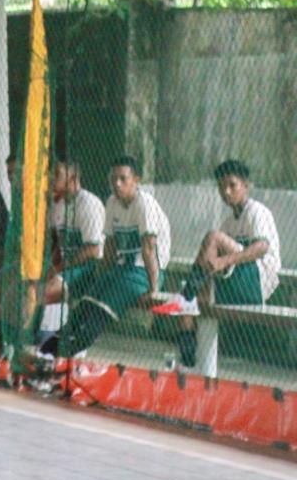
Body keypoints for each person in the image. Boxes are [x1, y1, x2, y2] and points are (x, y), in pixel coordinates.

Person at [153, 159, 280, 366]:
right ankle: (187, 342)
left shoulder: (257, 211)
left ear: (245, 186)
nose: (226, 191)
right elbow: (212, 260)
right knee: (192, 296)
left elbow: (261, 248)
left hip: (258, 280)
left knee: (213, 237)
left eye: (232, 185)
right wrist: (214, 266)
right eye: (221, 187)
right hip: (238, 279)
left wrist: (223, 261)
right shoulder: (229, 222)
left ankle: (185, 297)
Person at [46, 155, 171, 358]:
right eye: (113, 179)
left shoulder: (144, 203)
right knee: (85, 306)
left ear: (136, 180)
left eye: (123, 179)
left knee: (97, 315)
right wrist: (101, 276)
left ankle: (60, 355)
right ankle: (49, 351)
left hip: (145, 271)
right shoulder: (112, 201)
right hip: (121, 270)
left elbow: (148, 248)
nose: (117, 184)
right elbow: (110, 246)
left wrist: (154, 288)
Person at [41, 159, 106, 309]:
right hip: (66, 267)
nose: (51, 179)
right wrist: (49, 267)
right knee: (26, 288)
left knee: (42, 293)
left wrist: (59, 268)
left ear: (73, 177)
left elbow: (92, 250)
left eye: (57, 175)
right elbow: (56, 243)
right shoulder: (57, 205)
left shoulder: (89, 204)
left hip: (88, 268)